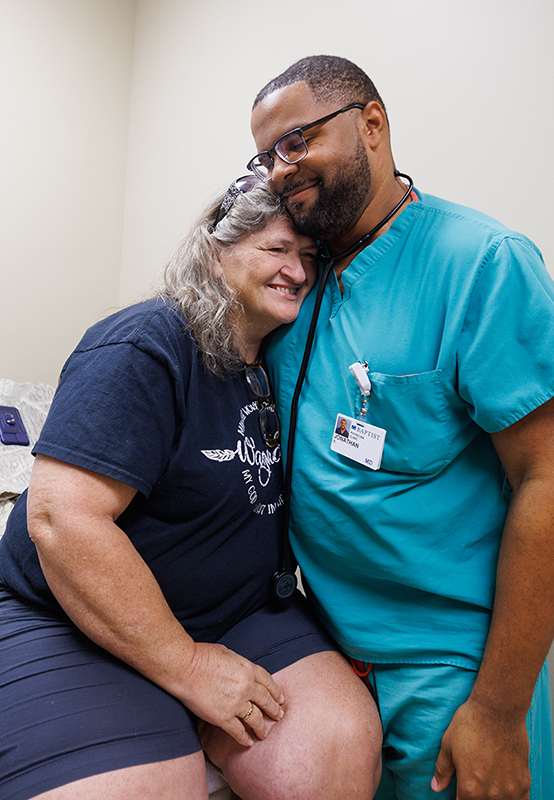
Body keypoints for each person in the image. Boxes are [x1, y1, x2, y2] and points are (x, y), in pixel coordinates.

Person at [243, 55, 554, 800]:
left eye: (298, 139)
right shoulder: (295, 282)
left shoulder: (482, 264)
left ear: (372, 123)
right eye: (266, 155)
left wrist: (498, 711)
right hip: (328, 661)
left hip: (454, 673)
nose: (281, 169)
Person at [0, 178, 382, 800]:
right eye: (277, 250)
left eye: (310, 259)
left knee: (335, 754)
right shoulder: (144, 345)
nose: (298, 271)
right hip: (70, 615)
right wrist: (187, 667)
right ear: (215, 252)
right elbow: (61, 521)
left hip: (240, 612)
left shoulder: (281, 361)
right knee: (147, 788)